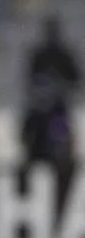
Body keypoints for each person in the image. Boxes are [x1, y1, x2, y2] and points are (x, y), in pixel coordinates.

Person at [21, 15, 80, 166]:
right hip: (40, 105)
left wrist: (63, 87)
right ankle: (28, 153)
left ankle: (64, 151)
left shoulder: (65, 54)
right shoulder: (39, 54)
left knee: (62, 126)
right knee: (29, 126)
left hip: (59, 104)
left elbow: (76, 78)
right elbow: (30, 78)